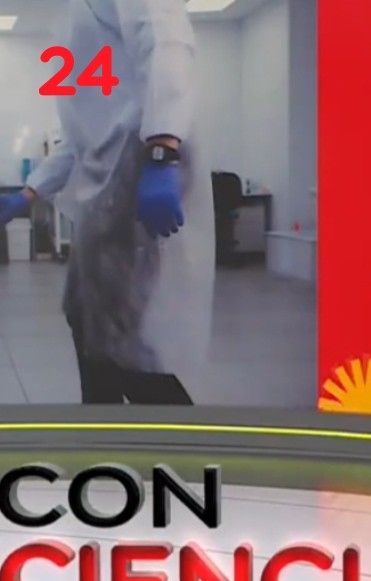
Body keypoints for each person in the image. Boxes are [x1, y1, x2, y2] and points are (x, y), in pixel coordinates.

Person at [0, 0, 214, 405]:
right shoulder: (69, 16)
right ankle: (100, 429)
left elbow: (166, 42)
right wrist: (27, 194)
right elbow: (82, 137)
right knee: (86, 325)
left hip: (134, 183)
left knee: (129, 350)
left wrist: (162, 151)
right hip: (102, 202)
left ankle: (176, 440)